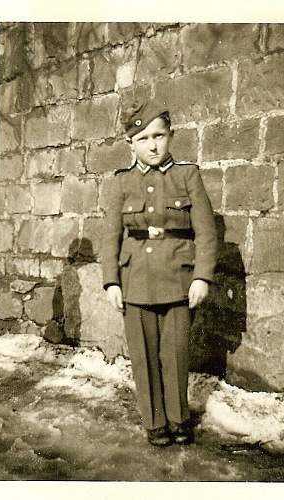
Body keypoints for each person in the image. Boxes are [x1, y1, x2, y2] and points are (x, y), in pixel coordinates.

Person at [101, 98, 218, 447]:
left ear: (170, 136)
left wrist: (201, 276)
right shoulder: (121, 183)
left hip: (178, 280)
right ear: (130, 144)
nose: (153, 145)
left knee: (176, 354)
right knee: (143, 357)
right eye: (144, 138)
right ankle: (154, 423)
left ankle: (179, 419)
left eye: (159, 136)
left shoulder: (187, 175)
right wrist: (111, 281)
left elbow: (207, 232)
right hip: (135, 280)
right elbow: (109, 237)